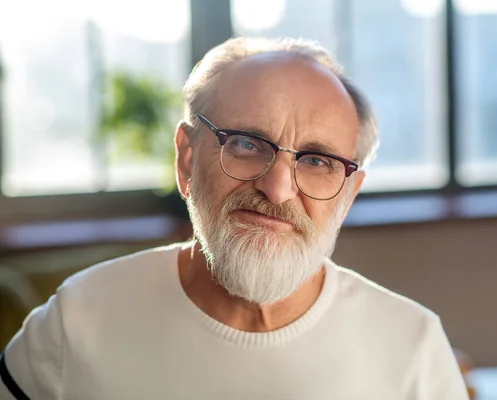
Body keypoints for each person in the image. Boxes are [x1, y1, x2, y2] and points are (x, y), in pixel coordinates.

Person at [0, 37, 469, 399]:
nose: (278, 188)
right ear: (186, 159)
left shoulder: (413, 347)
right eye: (246, 144)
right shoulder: (75, 321)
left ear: (348, 194)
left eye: (317, 161)